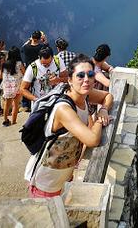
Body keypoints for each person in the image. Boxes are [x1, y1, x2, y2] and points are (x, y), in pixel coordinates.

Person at [24, 53, 113, 198]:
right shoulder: (64, 109)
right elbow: (92, 139)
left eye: (90, 74)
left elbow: (108, 96)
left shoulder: (85, 95)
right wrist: (99, 120)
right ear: (70, 80)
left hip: (65, 176)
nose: (86, 80)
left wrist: (103, 109)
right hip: (46, 182)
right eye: (80, 76)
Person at [0, 46, 25, 126]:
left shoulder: (4, 64)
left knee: (7, 105)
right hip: (17, 86)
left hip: (7, 87)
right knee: (16, 105)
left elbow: (0, 76)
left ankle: (5, 120)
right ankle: (14, 121)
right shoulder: (19, 64)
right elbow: (25, 73)